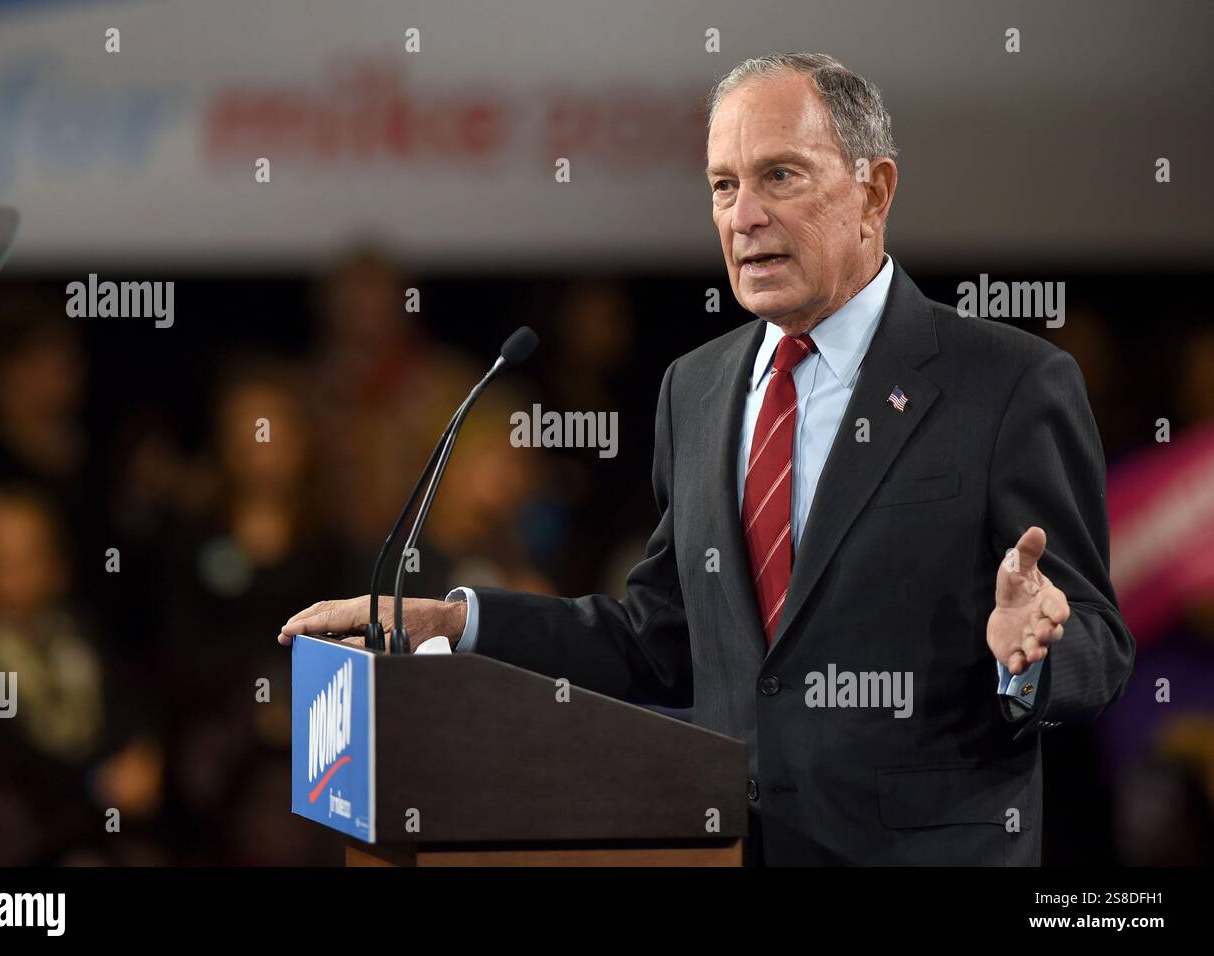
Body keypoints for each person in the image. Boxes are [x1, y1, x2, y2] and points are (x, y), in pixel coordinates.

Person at [277, 53, 1135, 865]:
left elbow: (1096, 639)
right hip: (719, 849)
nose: (744, 216)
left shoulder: (1008, 384)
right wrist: (453, 622)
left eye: (779, 177)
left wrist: (1026, 659)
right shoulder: (697, 388)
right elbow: (659, 642)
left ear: (874, 192)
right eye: (723, 186)